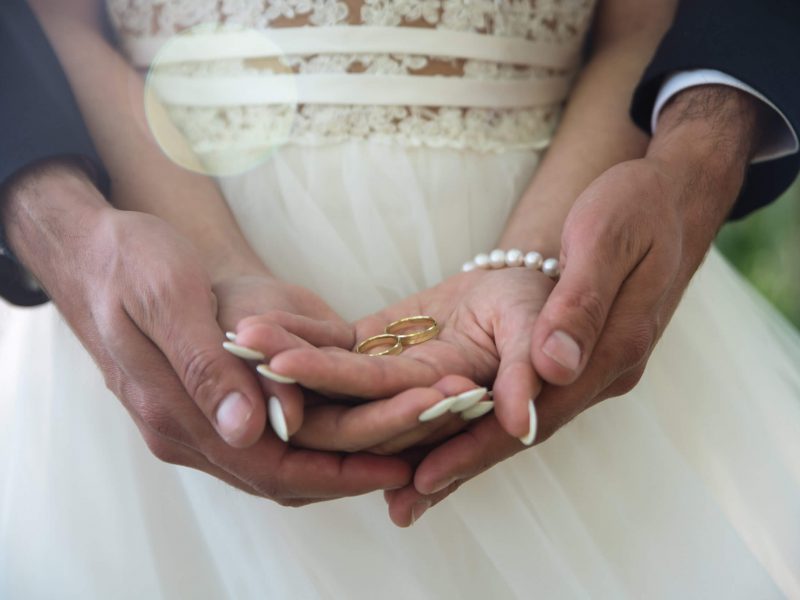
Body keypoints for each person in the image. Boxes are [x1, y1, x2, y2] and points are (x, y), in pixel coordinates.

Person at [1, 2, 799, 599]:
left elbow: (639, 22)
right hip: (156, 240)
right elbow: (57, 17)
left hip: (563, 225)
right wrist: (200, 257)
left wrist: (537, 254)